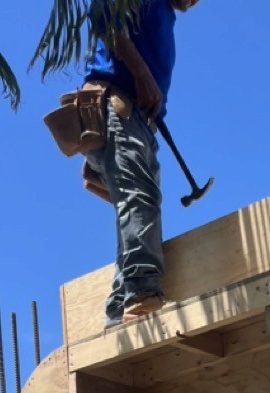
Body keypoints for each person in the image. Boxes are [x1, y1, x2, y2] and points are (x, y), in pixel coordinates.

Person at [82, 0, 201, 325]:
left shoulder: (163, 14)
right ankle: (141, 292)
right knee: (139, 199)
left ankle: (121, 308)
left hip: (138, 118)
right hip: (119, 106)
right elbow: (104, 16)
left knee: (138, 202)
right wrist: (143, 75)